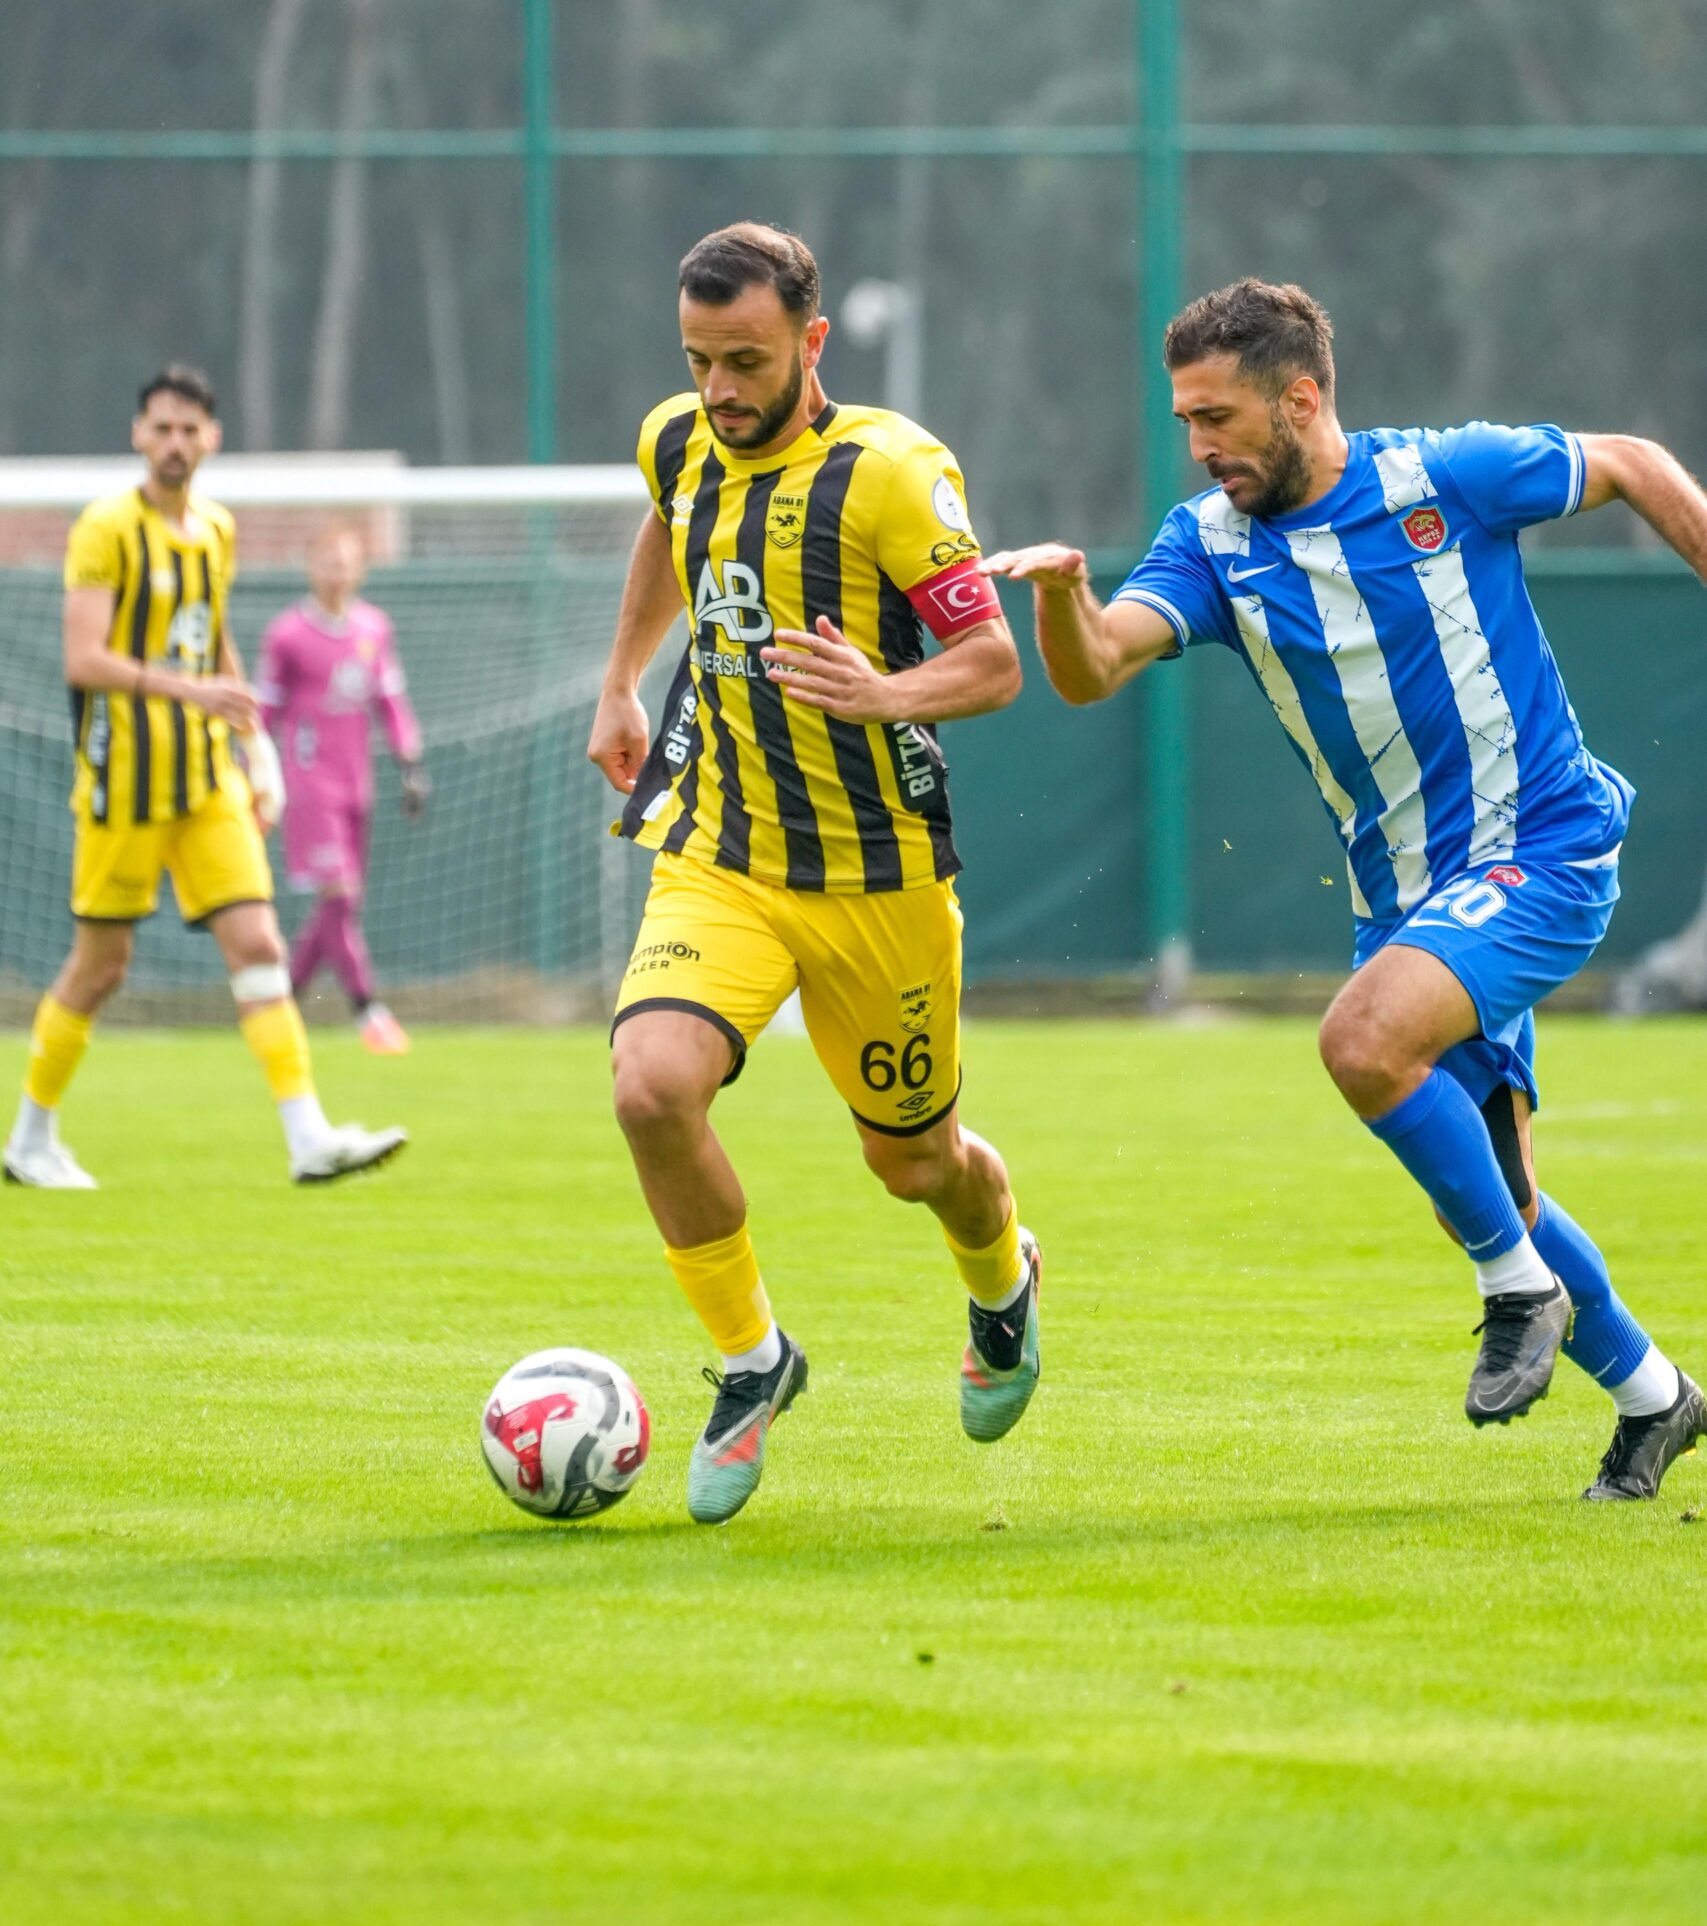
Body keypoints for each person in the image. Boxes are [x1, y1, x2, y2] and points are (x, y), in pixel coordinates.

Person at [987, 277, 1705, 1504]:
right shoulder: (1209, 541)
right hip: (1411, 902)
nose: (1201, 444)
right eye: (1186, 422)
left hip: (1542, 850)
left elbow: (1634, 459)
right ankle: (1658, 1401)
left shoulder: (1447, 477)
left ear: (1301, 398)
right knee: (1496, 1194)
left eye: (1217, 416)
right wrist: (1064, 595)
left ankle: (1516, 1290)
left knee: (1363, 1040)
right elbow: (1096, 669)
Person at [588, 221, 1037, 1525]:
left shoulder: (892, 475)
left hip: (877, 880)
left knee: (914, 1165)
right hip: (719, 854)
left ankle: (1000, 1276)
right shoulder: (676, 436)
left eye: (745, 360)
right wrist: (620, 678)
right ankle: (749, 1360)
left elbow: (993, 665)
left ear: (810, 341)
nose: (719, 389)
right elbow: (667, 530)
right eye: (698, 360)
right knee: (648, 1088)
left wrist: (884, 688)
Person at [4, 365, 407, 1190]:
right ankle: (31, 1137)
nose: (176, 443)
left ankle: (307, 1136)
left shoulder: (215, 529)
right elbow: (84, 657)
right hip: (124, 784)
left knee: (258, 942)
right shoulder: (105, 528)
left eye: (190, 429)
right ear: (137, 435)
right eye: (162, 428)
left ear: (212, 439)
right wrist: (189, 689)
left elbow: (210, 640)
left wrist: (253, 749)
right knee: (100, 966)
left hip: (203, 780)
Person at [256, 521, 430, 1054]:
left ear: (361, 568)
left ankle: (280, 1004)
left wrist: (409, 762)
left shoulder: (374, 629)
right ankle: (368, 1011)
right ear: (310, 566)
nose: (337, 570)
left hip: (359, 783)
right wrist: (256, 771)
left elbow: (390, 702)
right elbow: (264, 711)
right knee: (338, 893)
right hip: (309, 784)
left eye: (346, 560)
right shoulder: (286, 634)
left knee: (340, 909)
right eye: (327, 559)